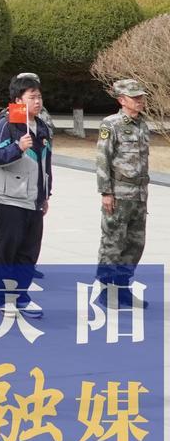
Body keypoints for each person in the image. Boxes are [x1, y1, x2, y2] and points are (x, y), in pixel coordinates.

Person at [0, 72, 51, 313]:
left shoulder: (41, 126)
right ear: (17, 100)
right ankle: (2, 299)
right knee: (6, 252)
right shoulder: (6, 124)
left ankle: (21, 295)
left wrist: (45, 194)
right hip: (9, 199)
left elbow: (46, 164)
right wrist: (18, 147)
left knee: (29, 252)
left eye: (39, 97)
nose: (37, 101)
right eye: (32, 97)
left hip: (34, 200)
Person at [96, 78, 151, 290]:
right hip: (119, 194)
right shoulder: (111, 124)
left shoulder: (142, 125)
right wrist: (106, 192)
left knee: (135, 244)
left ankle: (121, 287)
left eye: (141, 97)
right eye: (134, 97)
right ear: (121, 100)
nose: (139, 100)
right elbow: (103, 158)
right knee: (113, 243)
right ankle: (104, 289)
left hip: (139, 194)